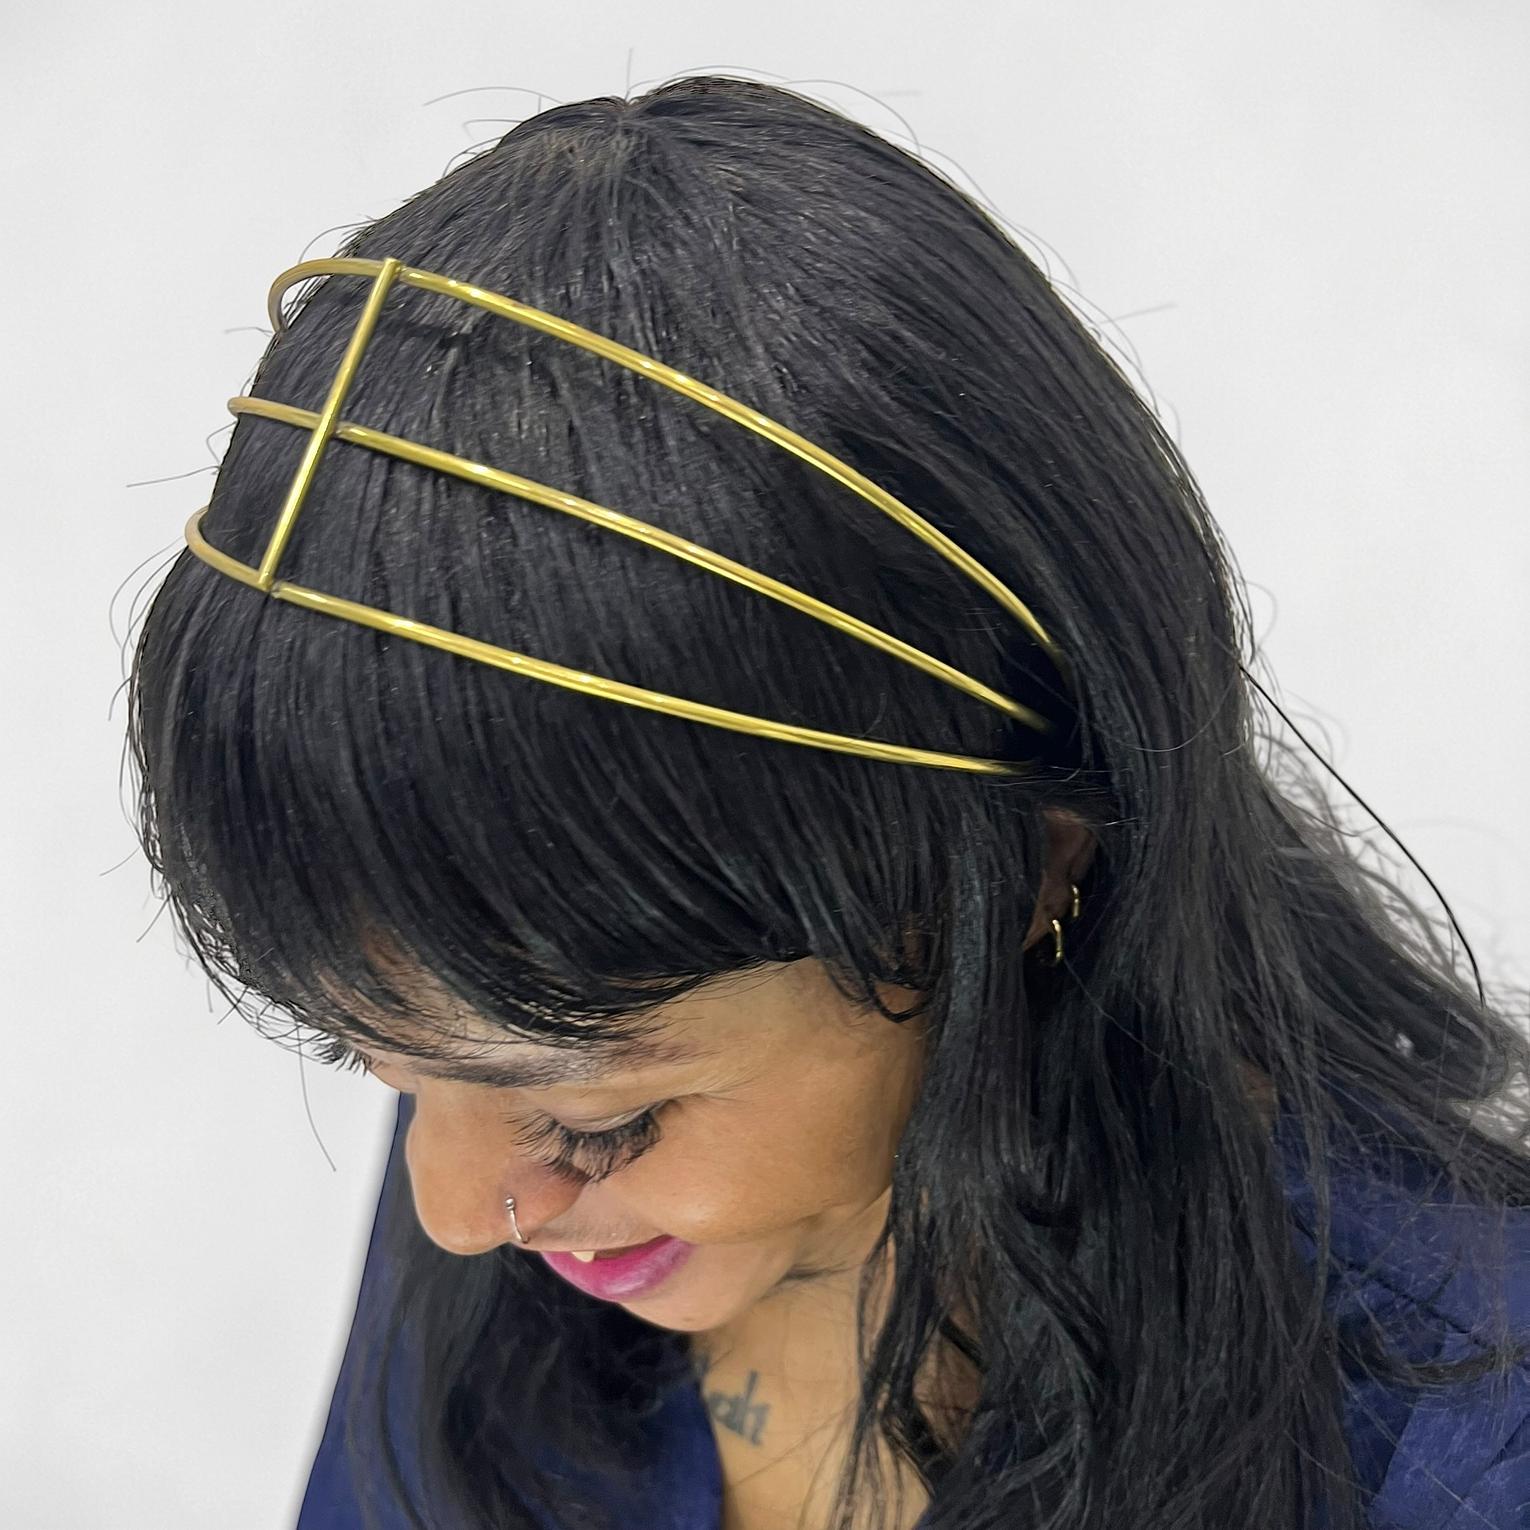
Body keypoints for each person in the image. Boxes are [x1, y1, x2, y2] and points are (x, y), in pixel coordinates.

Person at [125, 74, 1530, 1530]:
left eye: (603, 1121)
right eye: (376, 1061)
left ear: (1020, 878)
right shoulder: (508, 1067)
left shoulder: (1462, 1453)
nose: (456, 1210)